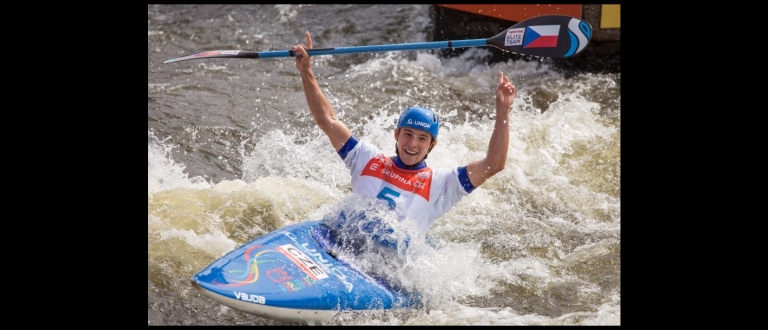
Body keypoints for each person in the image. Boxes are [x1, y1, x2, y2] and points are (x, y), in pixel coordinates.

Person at [291, 31, 516, 250]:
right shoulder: (367, 158)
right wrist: (306, 71)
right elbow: (328, 121)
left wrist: (503, 110)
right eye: (407, 134)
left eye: (422, 138)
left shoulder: (440, 184)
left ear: (432, 145)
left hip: (386, 270)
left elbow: (493, 164)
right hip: (339, 245)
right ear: (396, 134)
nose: (412, 144)